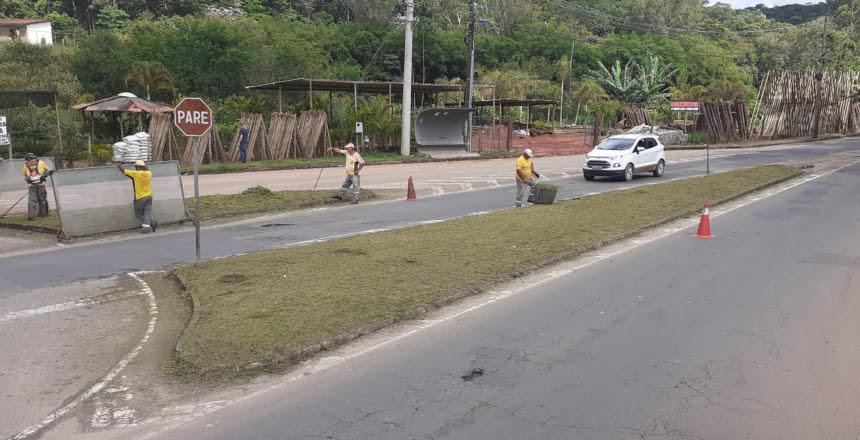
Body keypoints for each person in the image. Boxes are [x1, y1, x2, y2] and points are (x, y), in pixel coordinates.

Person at [118, 160, 157, 233]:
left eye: (136, 166)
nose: (135, 168)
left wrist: (120, 165)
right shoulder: (149, 173)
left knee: (138, 214)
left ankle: (148, 227)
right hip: (149, 196)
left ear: (138, 167)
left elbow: (124, 171)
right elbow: (146, 169)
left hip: (140, 198)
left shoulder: (136, 174)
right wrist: (142, 165)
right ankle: (151, 224)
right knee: (147, 213)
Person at [22, 153, 52, 220]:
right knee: (32, 199)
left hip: (41, 184)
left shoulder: (41, 163)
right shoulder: (25, 166)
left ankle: (43, 214)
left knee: (42, 198)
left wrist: (44, 176)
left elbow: (47, 170)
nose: (32, 161)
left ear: (35, 158)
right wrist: (28, 179)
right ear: (27, 160)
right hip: (31, 186)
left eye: (33, 159)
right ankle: (31, 216)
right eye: (29, 160)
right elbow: (25, 175)